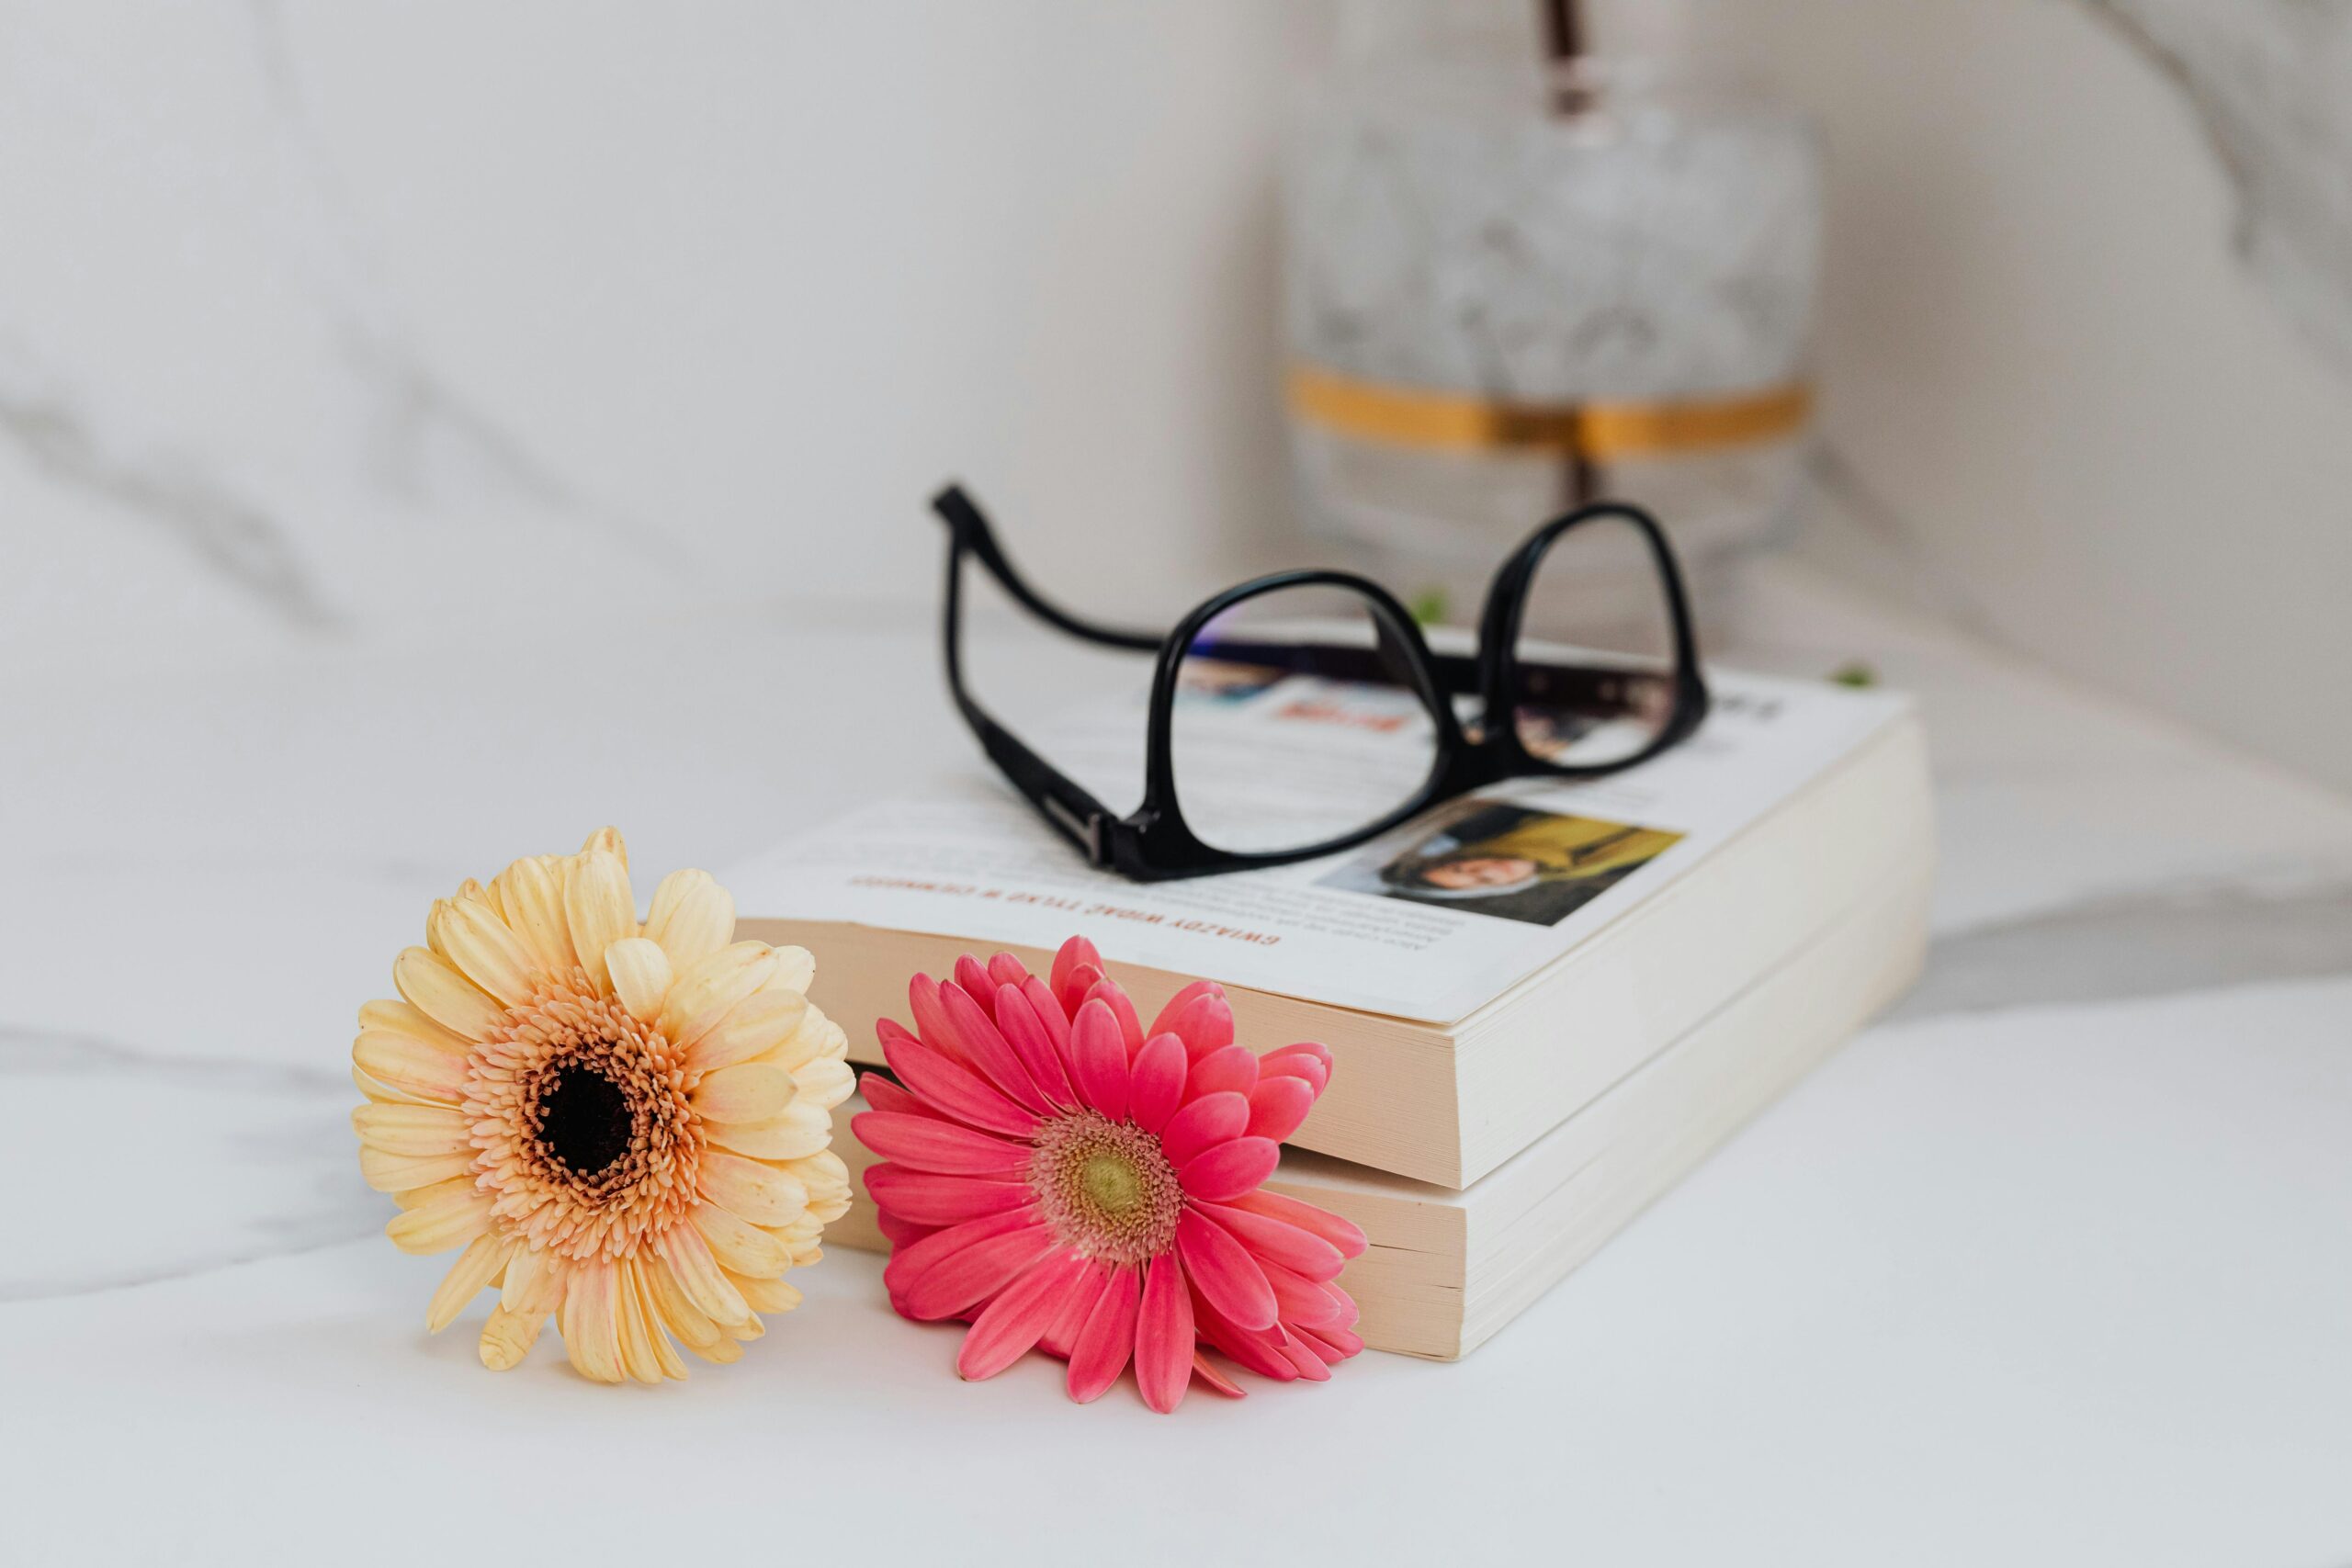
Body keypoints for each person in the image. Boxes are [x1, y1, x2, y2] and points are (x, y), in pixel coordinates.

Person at [1379, 803, 1678, 904]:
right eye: (1481, 881)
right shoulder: (1577, 871)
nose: (1485, 870)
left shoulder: (1488, 827)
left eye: (1461, 868)